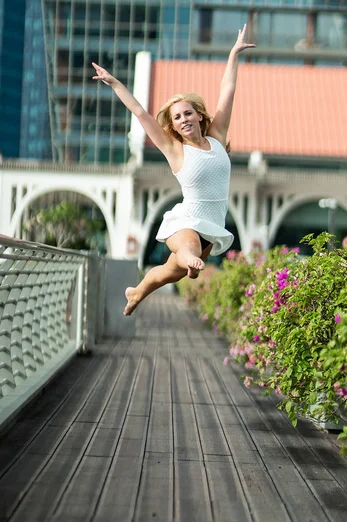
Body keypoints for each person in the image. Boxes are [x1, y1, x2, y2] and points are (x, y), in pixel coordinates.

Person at [92, 25, 255, 316]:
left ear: (200, 115)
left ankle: (137, 291)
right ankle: (189, 258)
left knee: (171, 272)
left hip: (212, 225)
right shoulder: (175, 150)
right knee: (188, 249)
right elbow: (141, 114)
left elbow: (227, 90)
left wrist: (233, 54)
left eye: (188, 113)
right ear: (174, 124)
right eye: (177, 117)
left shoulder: (217, 136)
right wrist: (115, 84)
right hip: (186, 222)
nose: (183, 119)